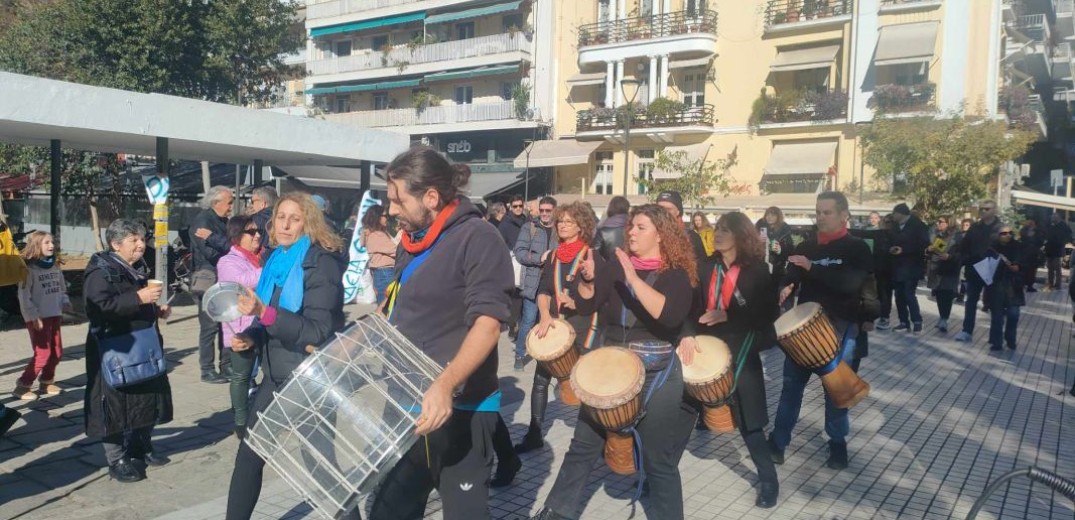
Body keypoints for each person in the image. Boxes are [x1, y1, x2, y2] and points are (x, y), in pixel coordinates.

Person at [369, 147, 515, 520]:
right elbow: (395, 305)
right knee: (388, 511)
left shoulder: (479, 238)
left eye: (398, 200)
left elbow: (488, 322)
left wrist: (445, 384)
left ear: (430, 197)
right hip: (406, 404)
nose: (391, 211)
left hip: (460, 408)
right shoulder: (412, 242)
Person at [530, 204, 699, 520]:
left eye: (641, 227)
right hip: (610, 367)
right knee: (583, 446)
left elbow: (671, 315)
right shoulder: (613, 266)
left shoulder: (676, 274)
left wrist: (633, 279)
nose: (631, 232)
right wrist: (588, 279)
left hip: (657, 373)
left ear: (661, 235)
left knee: (658, 461)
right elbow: (585, 303)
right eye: (631, 226)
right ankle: (555, 512)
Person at [225, 192, 347, 519]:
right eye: (281, 217)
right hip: (277, 375)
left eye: (295, 218)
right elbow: (268, 318)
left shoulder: (320, 262)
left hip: (310, 380)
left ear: (308, 222)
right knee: (250, 454)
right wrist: (250, 336)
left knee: (322, 466)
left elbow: (316, 330)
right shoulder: (277, 259)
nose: (286, 225)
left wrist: (263, 314)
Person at [678, 212, 780, 508]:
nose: (718, 234)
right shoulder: (705, 266)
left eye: (725, 230)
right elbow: (688, 308)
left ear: (741, 235)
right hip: (704, 354)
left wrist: (730, 314)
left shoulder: (758, 271)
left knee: (750, 424)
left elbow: (768, 318)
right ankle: (655, 477)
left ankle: (769, 480)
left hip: (741, 350)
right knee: (682, 417)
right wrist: (686, 333)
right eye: (718, 229)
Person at [768, 191, 872, 471]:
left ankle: (837, 444)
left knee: (835, 391)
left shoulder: (856, 248)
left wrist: (812, 268)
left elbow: (850, 283)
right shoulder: (809, 246)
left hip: (840, 329)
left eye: (827, 212)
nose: (821, 217)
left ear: (843, 215)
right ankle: (778, 443)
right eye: (818, 212)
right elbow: (793, 273)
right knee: (791, 389)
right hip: (804, 332)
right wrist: (787, 284)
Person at [83, 219, 174, 483]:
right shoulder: (100, 271)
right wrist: (138, 298)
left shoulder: (135, 268)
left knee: (147, 396)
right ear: (115, 244)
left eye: (142, 239)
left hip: (143, 343)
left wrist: (155, 310)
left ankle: (140, 446)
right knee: (114, 404)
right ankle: (116, 459)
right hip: (114, 349)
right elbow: (98, 307)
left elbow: (136, 303)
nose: (140, 245)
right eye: (134, 240)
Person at [515, 202, 602, 454]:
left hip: (584, 327)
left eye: (568, 222)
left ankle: (596, 436)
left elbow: (599, 297)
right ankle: (534, 432)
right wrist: (544, 315)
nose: (562, 225)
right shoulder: (554, 255)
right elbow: (543, 289)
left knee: (588, 385)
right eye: (560, 221)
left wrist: (576, 301)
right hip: (555, 325)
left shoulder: (590, 256)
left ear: (581, 226)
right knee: (540, 380)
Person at [216, 215, 264, 439]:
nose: (257, 235)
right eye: (251, 232)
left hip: (265, 324)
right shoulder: (227, 261)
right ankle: (241, 421)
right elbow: (243, 281)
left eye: (258, 231)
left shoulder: (261, 258)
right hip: (241, 328)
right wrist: (273, 268)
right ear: (237, 236)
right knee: (242, 375)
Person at [13, 231, 71, 400]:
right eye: (46, 243)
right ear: (36, 245)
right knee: (43, 353)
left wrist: (65, 300)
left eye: (52, 242)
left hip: (54, 314)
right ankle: (23, 385)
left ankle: (46, 381)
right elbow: (24, 297)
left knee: (57, 352)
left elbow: (61, 287)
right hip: (38, 318)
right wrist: (33, 316)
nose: (51, 246)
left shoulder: (54, 266)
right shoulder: (28, 270)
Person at [191, 186, 234, 384]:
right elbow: (208, 253)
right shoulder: (202, 221)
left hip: (224, 278)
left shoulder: (223, 221)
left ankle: (226, 365)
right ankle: (206, 369)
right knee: (209, 326)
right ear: (216, 203)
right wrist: (230, 253)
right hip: (208, 278)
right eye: (229, 202)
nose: (231, 207)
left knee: (225, 322)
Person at [513, 196, 558, 371]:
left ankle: (546, 353)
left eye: (548, 210)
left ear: (554, 210)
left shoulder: (559, 229)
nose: (544, 214)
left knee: (549, 319)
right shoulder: (529, 227)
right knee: (529, 320)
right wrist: (540, 258)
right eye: (542, 210)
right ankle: (520, 353)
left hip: (551, 281)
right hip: (532, 281)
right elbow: (519, 252)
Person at [954, 201, 1003, 342]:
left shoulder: (1001, 228)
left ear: (995, 210)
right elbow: (964, 247)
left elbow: (1009, 247)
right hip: (974, 269)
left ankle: (995, 337)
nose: (983, 211)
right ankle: (966, 331)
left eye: (986, 209)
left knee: (995, 304)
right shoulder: (975, 227)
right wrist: (966, 260)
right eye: (981, 209)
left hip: (993, 271)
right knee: (971, 302)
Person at [888, 203, 929, 333]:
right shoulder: (894, 226)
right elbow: (890, 240)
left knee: (909, 294)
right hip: (897, 266)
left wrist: (904, 250)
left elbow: (923, 244)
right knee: (899, 295)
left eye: (894, 213)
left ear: (901, 213)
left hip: (912, 266)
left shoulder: (918, 225)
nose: (893, 216)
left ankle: (917, 321)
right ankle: (903, 322)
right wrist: (891, 248)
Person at [851, 213, 893, 329]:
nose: (886, 224)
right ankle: (880, 317)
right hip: (876, 267)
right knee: (877, 293)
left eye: (889, 222)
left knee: (884, 294)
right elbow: (863, 234)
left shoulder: (894, 235)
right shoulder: (879, 233)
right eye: (886, 221)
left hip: (889, 270)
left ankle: (885, 317)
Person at [988, 225, 1025, 351]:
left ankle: (1011, 339)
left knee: (1013, 314)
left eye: (1010, 232)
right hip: (996, 284)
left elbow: (1023, 261)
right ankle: (996, 342)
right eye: (1004, 233)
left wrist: (1018, 266)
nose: (1007, 235)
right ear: (999, 235)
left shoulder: (1017, 246)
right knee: (997, 316)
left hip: (1013, 285)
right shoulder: (992, 247)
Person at [926, 216, 961, 333]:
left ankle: (945, 319)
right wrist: (929, 249)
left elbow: (961, 253)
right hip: (936, 267)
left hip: (950, 269)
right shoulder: (935, 234)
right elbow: (927, 250)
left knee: (947, 294)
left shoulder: (956, 236)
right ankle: (942, 317)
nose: (938, 223)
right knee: (939, 294)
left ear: (948, 223)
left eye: (941, 222)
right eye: (938, 221)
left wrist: (950, 256)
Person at [655, 190, 708, 266]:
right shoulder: (648, 234)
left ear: (678, 212)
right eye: (659, 209)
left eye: (668, 209)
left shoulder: (691, 237)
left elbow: (703, 269)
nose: (663, 212)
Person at [360, 205, 396, 304]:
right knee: (388, 306)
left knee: (385, 304)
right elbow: (396, 250)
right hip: (386, 272)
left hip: (381, 273)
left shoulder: (372, 233)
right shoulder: (377, 235)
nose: (386, 218)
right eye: (384, 215)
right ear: (377, 217)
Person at [760, 206, 794, 292]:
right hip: (761, 268)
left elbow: (790, 251)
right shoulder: (759, 228)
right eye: (767, 214)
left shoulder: (784, 232)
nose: (769, 217)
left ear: (778, 217)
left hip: (777, 269)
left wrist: (780, 250)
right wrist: (757, 241)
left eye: (773, 215)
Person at [593, 195, 629, 261]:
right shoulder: (633, 227)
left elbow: (596, 253)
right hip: (630, 267)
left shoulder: (602, 230)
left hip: (606, 267)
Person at [1044, 212, 1071, 291]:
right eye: (1052, 216)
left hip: (1058, 250)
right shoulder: (1051, 225)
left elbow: (1068, 234)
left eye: (1054, 216)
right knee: (1050, 268)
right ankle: (1050, 283)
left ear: (1058, 217)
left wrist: (1062, 242)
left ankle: (1058, 284)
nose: (1052, 218)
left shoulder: (1063, 225)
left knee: (1057, 268)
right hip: (1049, 249)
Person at [248, 186, 278, 252]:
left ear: (263, 204)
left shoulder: (254, 219)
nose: (251, 205)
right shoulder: (282, 219)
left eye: (252, 201)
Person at [1019, 219, 1044, 293]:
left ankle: (1029, 285)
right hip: (1025, 252)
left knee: (1032, 270)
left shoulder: (1037, 231)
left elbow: (1040, 241)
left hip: (1033, 254)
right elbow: (1022, 237)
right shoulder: (1024, 230)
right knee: (1024, 269)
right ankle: (1023, 284)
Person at [956, 218, 973, 303]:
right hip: (958, 258)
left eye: (967, 225)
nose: (964, 226)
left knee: (964, 278)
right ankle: (956, 293)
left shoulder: (972, 235)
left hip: (967, 259)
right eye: (963, 224)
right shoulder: (958, 234)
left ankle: (961, 295)